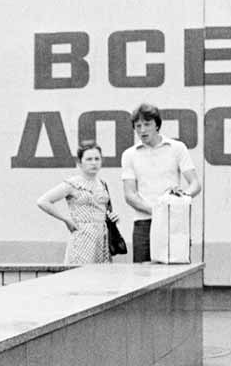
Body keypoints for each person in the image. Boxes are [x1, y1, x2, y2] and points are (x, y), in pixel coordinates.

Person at [121, 103, 202, 262]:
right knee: (141, 276)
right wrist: (156, 212)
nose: (142, 130)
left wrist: (180, 198)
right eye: (138, 126)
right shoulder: (129, 154)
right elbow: (129, 194)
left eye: (147, 124)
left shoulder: (177, 148)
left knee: (174, 270)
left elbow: (195, 184)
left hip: (173, 222)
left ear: (157, 125)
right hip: (144, 223)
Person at [36, 141, 119, 264]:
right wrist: (66, 219)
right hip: (83, 235)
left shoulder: (102, 184)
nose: (94, 163)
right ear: (80, 162)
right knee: (81, 275)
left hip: (102, 237)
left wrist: (112, 217)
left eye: (97, 159)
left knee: (101, 277)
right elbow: (43, 201)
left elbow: (103, 209)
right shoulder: (73, 184)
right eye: (89, 159)